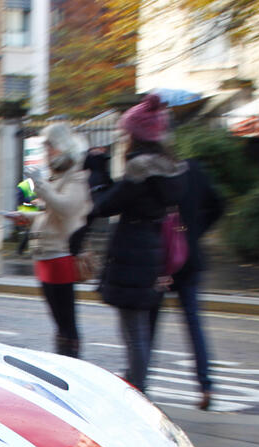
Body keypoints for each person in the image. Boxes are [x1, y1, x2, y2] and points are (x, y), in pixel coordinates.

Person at [92, 94, 188, 394]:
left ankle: (137, 392)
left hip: (133, 253)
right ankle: (139, 383)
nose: (124, 138)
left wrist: (97, 170)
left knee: (134, 332)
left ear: (137, 134)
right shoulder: (170, 167)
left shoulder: (139, 170)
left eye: (126, 132)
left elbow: (105, 205)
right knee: (143, 330)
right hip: (155, 251)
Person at [150, 158, 225, 409]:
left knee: (148, 325)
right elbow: (218, 204)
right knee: (194, 324)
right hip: (189, 258)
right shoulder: (195, 169)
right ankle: (206, 385)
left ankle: (139, 383)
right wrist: (193, 232)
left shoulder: (155, 170)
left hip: (161, 258)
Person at [25, 122, 92, 358]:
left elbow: (67, 208)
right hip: (44, 252)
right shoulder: (55, 174)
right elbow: (47, 211)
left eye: (50, 146)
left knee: (66, 319)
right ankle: (63, 356)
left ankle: (71, 361)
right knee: (57, 320)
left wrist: (41, 187)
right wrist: (25, 215)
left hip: (61, 253)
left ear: (62, 145)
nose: (47, 151)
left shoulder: (76, 174)